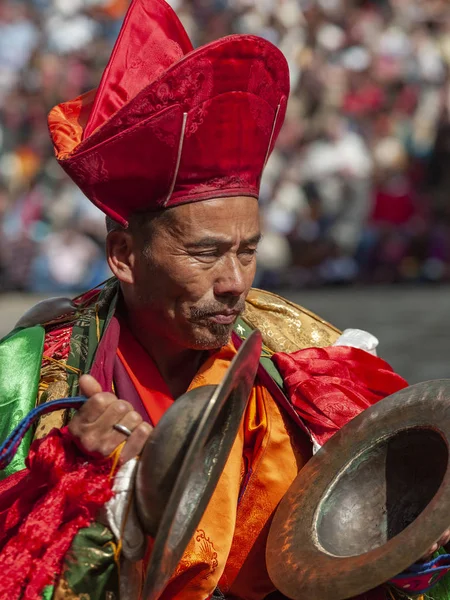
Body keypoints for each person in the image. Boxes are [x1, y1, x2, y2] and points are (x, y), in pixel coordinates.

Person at [1, 0, 450, 599]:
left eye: (248, 250)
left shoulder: (304, 362)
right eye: (207, 254)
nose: (236, 280)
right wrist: (86, 487)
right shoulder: (32, 378)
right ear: (124, 256)